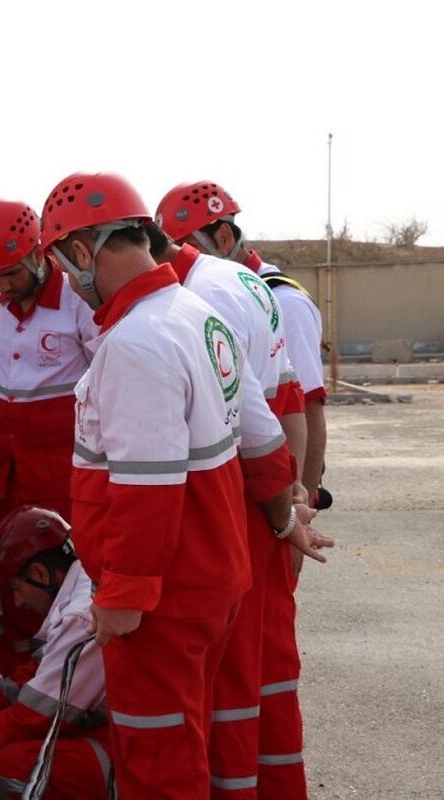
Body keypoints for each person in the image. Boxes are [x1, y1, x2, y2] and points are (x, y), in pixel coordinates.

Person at [39, 170, 254, 798]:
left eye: (62, 264)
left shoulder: (136, 341)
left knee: (158, 767)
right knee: (188, 747)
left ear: (82, 252)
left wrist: (122, 597)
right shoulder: (191, 311)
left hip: (160, 604)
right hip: (207, 577)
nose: (68, 284)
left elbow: (146, 488)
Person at [153, 182, 331, 797]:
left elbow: (301, 406)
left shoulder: (220, 297)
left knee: (240, 682)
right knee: (260, 676)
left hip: (252, 509)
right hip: (266, 505)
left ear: (223, 236)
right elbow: (281, 405)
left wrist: (297, 506)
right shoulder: (248, 287)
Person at [0, 197, 98, 673]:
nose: (3, 286)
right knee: (6, 564)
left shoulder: (78, 299)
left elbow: (104, 378)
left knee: (63, 570)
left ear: (38, 254)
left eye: (11, 274)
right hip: (6, 465)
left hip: (62, 466)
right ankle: (13, 665)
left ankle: (66, 667)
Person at [0, 506, 112, 800]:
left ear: (40, 573)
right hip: (122, 731)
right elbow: (37, 670)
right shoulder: (82, 580)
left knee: (18, 762)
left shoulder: (79, 618)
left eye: (15, 589)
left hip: (132, 749)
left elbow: (37, 714)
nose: (17, 603)